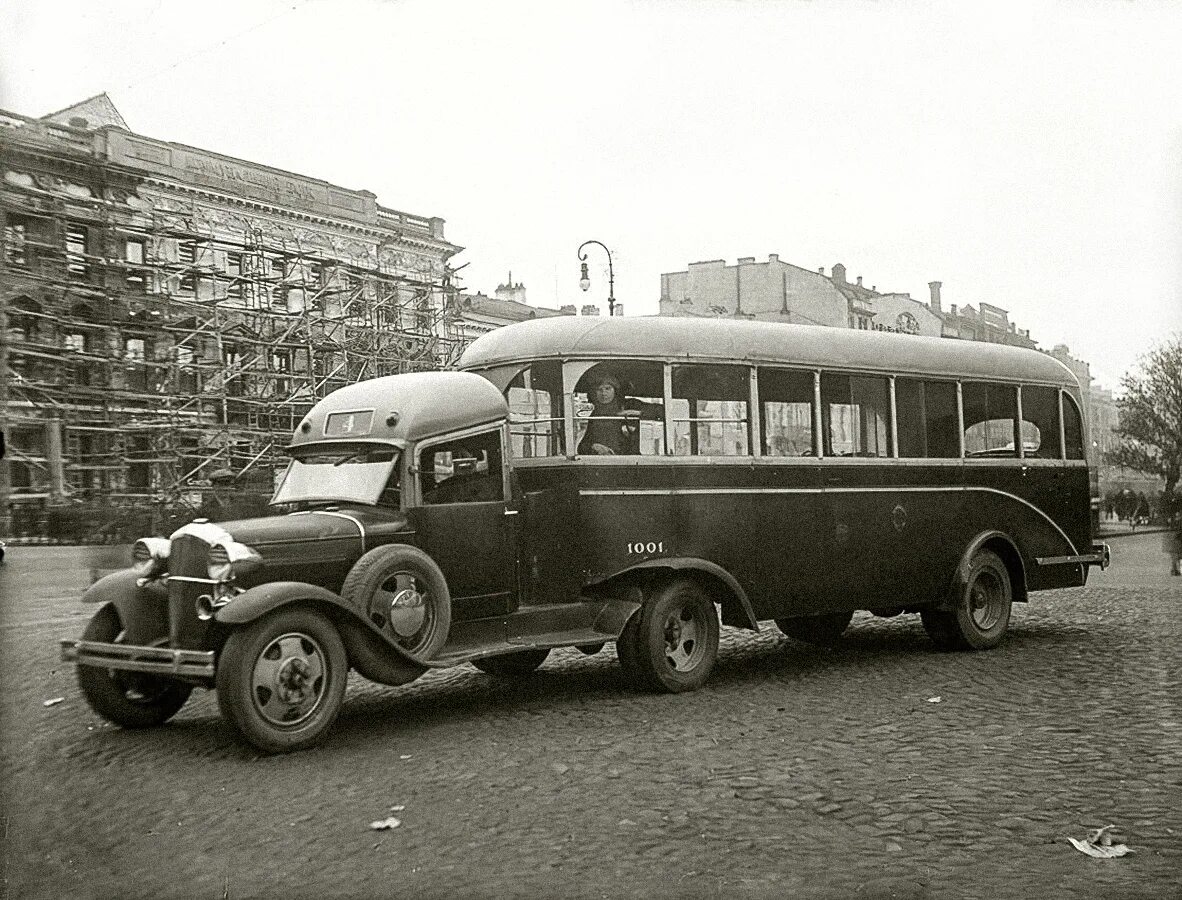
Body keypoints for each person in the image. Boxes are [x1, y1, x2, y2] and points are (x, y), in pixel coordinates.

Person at [577, 372, 643, 455]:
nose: (603, 393)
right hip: (602, 462)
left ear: (615, 390)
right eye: (599, 390)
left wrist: (636, 412)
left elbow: (659, 411)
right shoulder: (595, 414)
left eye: (608, 388)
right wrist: (593, 446)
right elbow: (582, 447)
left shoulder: (631, 404)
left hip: (628, 461)